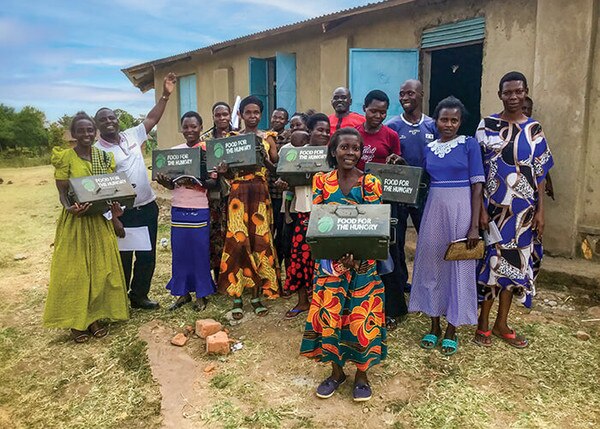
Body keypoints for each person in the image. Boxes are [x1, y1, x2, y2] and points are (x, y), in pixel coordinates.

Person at [301, 127, 386, 402]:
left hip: (363, 265)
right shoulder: (321, 181)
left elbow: (375, 225)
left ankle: (362, 375)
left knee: (361, 319)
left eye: (355, 148)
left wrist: (358, 256)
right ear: (334, 151)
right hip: (330, 265)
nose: (350, 153)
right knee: (331, 316)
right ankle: (337, 372)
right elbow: (318, 222)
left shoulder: (370, 183)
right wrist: (337, 257)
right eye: (344, 147)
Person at [474, 72, 554, 348]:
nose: (513, 97)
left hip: (524, 212)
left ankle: (502, 323)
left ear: (525, 92)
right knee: (492, 264)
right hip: (494, 210)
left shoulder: (535, 129)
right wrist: (480, 211)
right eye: (508, 92)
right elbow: (478, 172)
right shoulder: (487, 126)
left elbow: (540, 174)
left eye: (518, 92)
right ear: (500, 95)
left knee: (516, 265)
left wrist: (541, 212)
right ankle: (483, 323)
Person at [408, 96, 484, 356]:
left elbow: (477, 186)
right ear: (436, 121)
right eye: (444, 119)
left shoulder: (469, 145)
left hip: (461, 209)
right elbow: (419, 178)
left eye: (454, 120)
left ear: (461, 122)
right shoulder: (429, 148)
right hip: (434, 210)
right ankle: (434, 324)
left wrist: (474, 226)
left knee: (458, 266)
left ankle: (452, 328)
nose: (449, 124)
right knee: (432, 264)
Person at [44, 112, 129, 342]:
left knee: (101, 271)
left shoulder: (103, 158)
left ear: (95, 132)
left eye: (90, 130)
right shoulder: (65, 158)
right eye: (81, 131)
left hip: (99, 221)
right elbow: (62, 193)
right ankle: (77, 322)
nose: (86, 134)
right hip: (77, 223)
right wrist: (69, 208)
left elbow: (111, 191)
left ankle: (94, 318)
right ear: (73, 134)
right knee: (76, 273)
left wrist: (116, 214)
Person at [94, 72, 177, 310]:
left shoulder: (131, 135)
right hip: (122, 212)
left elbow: (152, 118)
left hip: (147, 206)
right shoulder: (98, 151)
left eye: (112, 117)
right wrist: (112, 218)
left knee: (147, 255)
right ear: (97, 125)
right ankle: (120, 300)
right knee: (123, 257)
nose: (109, 121)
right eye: (103, 120)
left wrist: (165, 96)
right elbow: (100, 190)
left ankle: (139, 296)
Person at [216, 95, 280, 319]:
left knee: (260, 242)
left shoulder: (268, 137)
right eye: (248, 112)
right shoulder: (231, 138)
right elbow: (221, 170)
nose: (252, 116)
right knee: (237, 242)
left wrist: (266, 159)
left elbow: (276, 169)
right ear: (241, 115)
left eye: (256, 112)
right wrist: (223, 170)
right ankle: (236, 296)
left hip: (260, 193)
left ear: (260, 115)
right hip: (237, 195)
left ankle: (256, 295)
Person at [355, 89, 407, 331]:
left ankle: (393, 309)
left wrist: (398, 163)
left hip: (386, 202)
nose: (378, 115)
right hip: (358, 200)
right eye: (373, 110)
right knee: (362, 252)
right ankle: (361, 305)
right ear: (364, 108)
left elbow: (400, 167)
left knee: (389, 252)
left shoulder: (392, 135)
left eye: (383, 111)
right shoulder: (354, 134)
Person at [156, 112, 217, 311]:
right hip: (178, 208)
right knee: (180, 253)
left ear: (201, 127)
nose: (190, 130)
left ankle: (202, 295)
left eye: (194, 126)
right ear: (181, 129)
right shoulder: (175, 152)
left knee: (199, 253)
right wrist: (165, 181)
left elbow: (213, 182)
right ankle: (182, 294)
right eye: (186, 127)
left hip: (199, 208)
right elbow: (171, 185)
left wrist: (195, 182)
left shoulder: (207, 151)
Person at [386, 79, 438, 295]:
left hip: (426, 192)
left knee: (427, 239)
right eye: (402, 94)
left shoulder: (433, 125)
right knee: (397, 240)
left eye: (410, 93)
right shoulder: (392, 126)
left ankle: (427, 283)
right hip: (399, 193)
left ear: (421, 94)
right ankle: (402, 282)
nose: (405, 98)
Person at [276, 131, 313, 317]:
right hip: (302, 213)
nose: (322, 133)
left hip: (324, 214)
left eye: (325, 130)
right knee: (299, 258)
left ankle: (319, 302)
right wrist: (285, 183)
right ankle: (302, 301)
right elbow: (291, 182)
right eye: (318, 130)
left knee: (321, 261)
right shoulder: (293, 155)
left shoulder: (329, 155)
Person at [205, 102, 233, 279]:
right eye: (218, 115)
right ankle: (217, 276)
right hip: (212, 195)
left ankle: (233, 275)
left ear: (231, 115)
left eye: (225, 114)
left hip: (234, 194)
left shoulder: (238, 136)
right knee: (215, 235)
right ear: (213, 117)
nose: (222, 118)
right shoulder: (205, 140)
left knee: (232, 233)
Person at [269, 107, 290, 275]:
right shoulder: (264, 137)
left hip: (283, 196)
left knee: (282, 236)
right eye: (274, 117)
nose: (277, 120)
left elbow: (279, 165)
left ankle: (281, 270)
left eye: (281, 118)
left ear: (286, 121)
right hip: (267, 192)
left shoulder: (291, 138)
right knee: (268, 233)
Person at [522, 96, 555, 200]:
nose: (526, 111)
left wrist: (548, 181)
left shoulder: (534, 130)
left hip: (530, 183)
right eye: (524, 108)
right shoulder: (505, 129)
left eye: (529, 109)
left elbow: (541, 158)